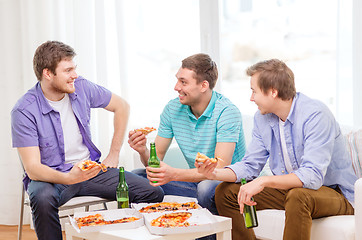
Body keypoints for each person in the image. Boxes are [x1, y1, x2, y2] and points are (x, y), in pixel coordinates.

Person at [11, 41, 163, 240]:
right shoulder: (24, 110)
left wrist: (114, 154)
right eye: (68, 70)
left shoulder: (81, 87)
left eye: (74, 68)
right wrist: (69, 178)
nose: (74, 74)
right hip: (52, 177)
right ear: (48, 73)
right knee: (42, 198)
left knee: (153, 192)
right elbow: (33, 169)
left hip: (90, 170)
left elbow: (122, 106)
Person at [196, 58, 358, 240]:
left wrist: (263, 181)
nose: (251, 98)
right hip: (292, 191)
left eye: (254, 91)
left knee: (299, 196)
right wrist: (214, 174)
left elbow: (312, 176)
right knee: (226, 193)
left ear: (273, 92)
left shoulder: (315, 115)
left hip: (335, 193)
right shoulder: (262, 119)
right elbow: (250, 166)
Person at [128, 53, 247, 215]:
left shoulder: (227, 112)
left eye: (183, 82)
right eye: (177, 80)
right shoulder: (172, 109)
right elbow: (155, 162)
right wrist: (142, 150)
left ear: (203, 86)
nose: (176, 87)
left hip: (228, 183)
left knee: (206, 186)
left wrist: (174, 174)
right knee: (136, 179)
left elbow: (218, 168)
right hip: (197, 181)